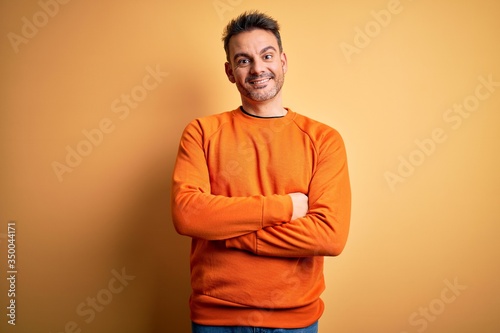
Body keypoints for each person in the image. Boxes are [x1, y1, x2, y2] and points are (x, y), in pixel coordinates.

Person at [171, 10, 351, 333]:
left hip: (295, 321)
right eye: (243, 60)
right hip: (215, 319)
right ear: (229, 71)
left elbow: (330, 235)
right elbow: (187, 215)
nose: (257, 68)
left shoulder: (324, 140)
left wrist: (227, 233)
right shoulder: (201, 132)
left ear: (283, 61)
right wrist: (284, 208)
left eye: (266, 56)